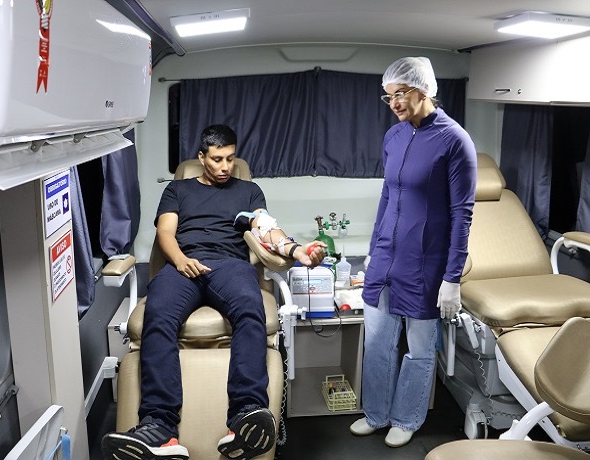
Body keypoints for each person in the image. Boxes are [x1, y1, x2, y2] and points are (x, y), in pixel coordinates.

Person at [102, 124, 325, 460]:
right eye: (217, 159)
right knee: (158, 316)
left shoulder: (248, 191)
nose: (225, 167)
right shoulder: (178, 190)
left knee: (250, 308)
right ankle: (159, 428)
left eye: (230, 159)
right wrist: (180, 260)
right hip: (183, 265)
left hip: (229, 266)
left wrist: (296, 250)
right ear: (202, 157)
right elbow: (165, 232)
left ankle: (246, 415)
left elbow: (267, 229)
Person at [349, 57, 477, 447]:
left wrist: (452, 278)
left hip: (425, 262)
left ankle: (406, 418)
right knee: (377, 342)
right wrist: (373, 249)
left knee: (419, 349)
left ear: (423, 90)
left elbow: (462, 214)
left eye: (400, 94)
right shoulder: (394, 136)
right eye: (388, 97)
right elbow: (388, 195)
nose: (393, 103)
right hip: (386, 257)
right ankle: (376, 414)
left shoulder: (455, 141)